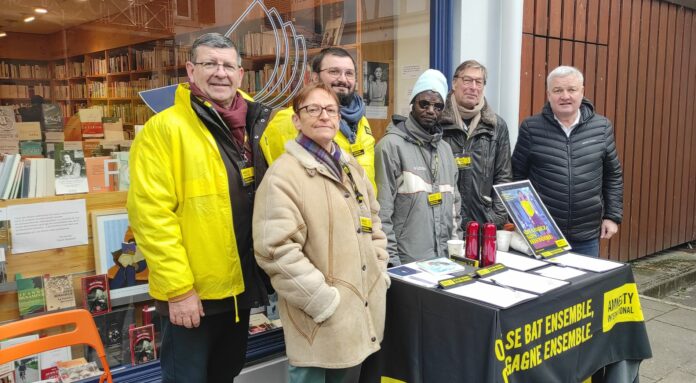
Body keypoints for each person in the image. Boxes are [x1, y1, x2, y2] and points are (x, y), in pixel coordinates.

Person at [127, 32, 272, 382]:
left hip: (239, 288)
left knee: (225, 374)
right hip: (193, 297)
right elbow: (151, 217)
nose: (220, 73)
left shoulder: (258, 124)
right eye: (209, 64)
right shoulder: (163, 130)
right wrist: (178, 291)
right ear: (191, 71)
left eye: (228, 65)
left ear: (240, 73)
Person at [253, 82, 389, 383]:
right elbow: (275, 250)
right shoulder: (283, 176)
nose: (323, 116)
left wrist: (379, 268)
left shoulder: (351, 168)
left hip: (358, 314)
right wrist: (322, 301)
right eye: (312, 109)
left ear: (338, 119)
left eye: (330, 110)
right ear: (297, 120)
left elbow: (374, 221)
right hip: (319, 320)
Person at [511, 65, 623, 257]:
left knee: (585, 286)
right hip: (542, 233)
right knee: (545, 285)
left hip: (586, 235)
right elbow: (516, 177)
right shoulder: (531, 128)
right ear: (548, 94)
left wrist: (612, 217)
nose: (565, 96)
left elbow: (612, 176)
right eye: (558, 90)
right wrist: (520, 220)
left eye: (571, 89)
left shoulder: (601, 127)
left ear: (582, 92)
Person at [375, 69, 462, 266]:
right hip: (408, 262)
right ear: (412, 103)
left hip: (444, 260)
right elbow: (382, 213)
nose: (431, 110)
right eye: (424, 103)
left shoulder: (446, 150)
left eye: (438, 106)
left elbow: (455, 209)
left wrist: (456, 251)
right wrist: (393, 264)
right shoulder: (390, 146)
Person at [261, 47, 377, 191]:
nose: (343, 79)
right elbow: (282, 182)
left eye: (349, 73)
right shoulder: (292, 120)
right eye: (334, 72)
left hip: (361, 209)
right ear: (314, 77)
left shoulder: (361, 120)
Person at [440, 59, 512, 228]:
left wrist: (495, 218)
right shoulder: (438, 121)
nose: (473, 87)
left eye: (479, 82)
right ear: (454, 83)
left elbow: (504, 177)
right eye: (467, 80)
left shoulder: (496, 126)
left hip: (482, 223)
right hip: (444, 222)